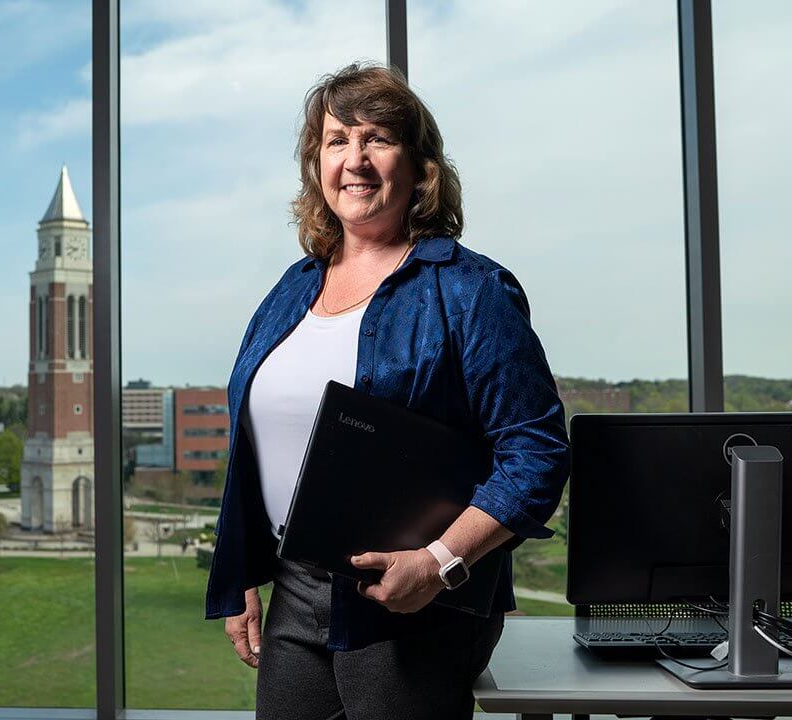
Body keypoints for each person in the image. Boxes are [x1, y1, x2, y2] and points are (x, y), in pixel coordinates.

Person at [204, 63, 571, 720]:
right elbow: (253, 442)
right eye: (337, 139)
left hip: (414, 603)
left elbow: (536, 451)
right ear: (315, 162)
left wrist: (439, 562)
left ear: (420, 163)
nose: (356, 160)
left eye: (377, 139)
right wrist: (240, 576)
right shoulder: (291, 289)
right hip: (297, 588)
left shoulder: (471, 291)